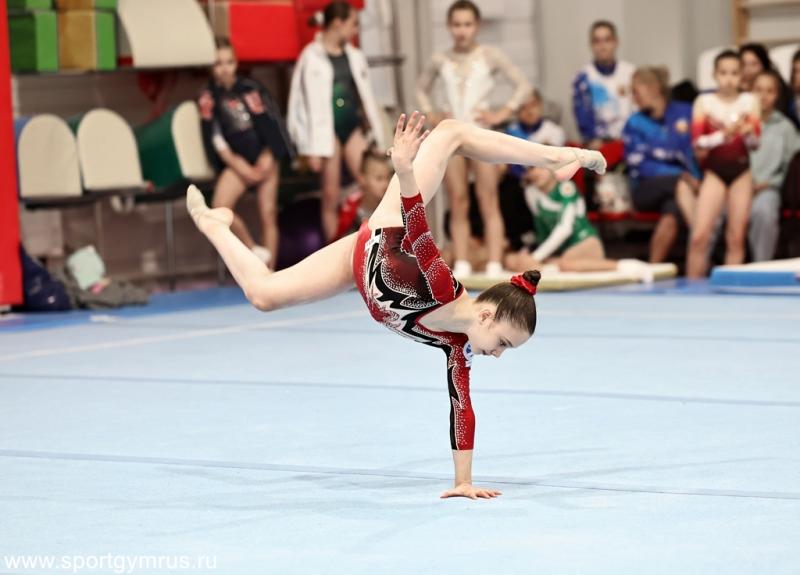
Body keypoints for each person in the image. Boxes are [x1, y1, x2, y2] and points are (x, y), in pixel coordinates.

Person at [186, 113, 606, 499]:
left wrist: (463, 482)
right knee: (450, 133)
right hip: (386, 232)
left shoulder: (457, 345)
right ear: (485, 314)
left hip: (360, 268)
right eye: (503, 343)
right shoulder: (442, 288)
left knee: (262, 295)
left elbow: (462, 406)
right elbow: (418, 230)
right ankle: (557, 157)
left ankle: (214, 224)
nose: (497, 354)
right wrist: (404, 169)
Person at [416, 0, 530, 279]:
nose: (462, 30)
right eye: (457, 24)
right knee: (458, 200)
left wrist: (503, 112)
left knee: (488, 198)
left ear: (477, 26)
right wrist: (431, 113)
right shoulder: (441, 59)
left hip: (480, 132)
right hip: (452, 136)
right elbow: (420, 88)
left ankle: (494, 262)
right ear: (449, 26)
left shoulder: (490, 55)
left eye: (467, 24)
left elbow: (523, 85)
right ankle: (463, 262)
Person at [287, 1, 386, 242]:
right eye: (353, 24)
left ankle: (378, 243)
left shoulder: (355, 56)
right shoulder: (311, 57)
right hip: (325, 132)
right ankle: (334, 248)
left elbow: (366, 97)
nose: (355, 30)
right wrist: (307, 146)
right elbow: (299, 103)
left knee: (374, 185)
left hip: (351, 126)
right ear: (338, 24)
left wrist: (375, 134)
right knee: (330, 195)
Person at [198, 40, 291, 267]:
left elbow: (272, 123)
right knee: (219, 208)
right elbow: (215, 137)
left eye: (229, 62)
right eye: (218, 63)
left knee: (268, 213)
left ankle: (270, 273)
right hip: (236, 160)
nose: (225, 69)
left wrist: (269, 154)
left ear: (236, 63)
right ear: (211, 66)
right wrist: (236, 163)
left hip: (264, 156)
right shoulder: (208, 97)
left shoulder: (251, 88)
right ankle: (253, 250)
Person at [503, 166, 651, 281]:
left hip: (584, 242)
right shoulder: (531, 192)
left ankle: (625, 265)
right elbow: (540, 226)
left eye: (541, 167)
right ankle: (548, 267)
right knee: (511, 260)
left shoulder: (566, 189)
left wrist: (537, 256)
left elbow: (565, 229)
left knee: (566, 264)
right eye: (531, 169)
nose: (535, 173)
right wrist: (530, 252)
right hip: (558, 250)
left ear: (554, 169)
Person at [687, 50, 761, 278]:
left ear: (741, 76)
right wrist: (723, 136)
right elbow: (697, 143)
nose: (729, 79)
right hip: (715, 172)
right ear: (715, 75)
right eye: (724, 73)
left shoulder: (750, 101)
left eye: (734, 73)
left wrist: (748, 134)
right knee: (699, 236)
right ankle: (691, 288)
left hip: (741, 172)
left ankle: (733, 289)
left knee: (736, 237)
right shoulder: (704, 102)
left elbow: (755, 144)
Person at [622, 66, 700, 262]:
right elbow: (639, 166)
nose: (633, 98)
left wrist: (695, 178)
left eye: (636, 91)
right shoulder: (634, 123)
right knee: (681, 185)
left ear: (654, 88)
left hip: (686, 186)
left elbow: (694, 152)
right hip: (645, 188)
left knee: (672, 214)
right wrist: (681, 176)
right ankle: (704, 245)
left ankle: (652, 268)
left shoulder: (684, 113)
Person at [749, 70, 800, 261]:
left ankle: (761, 267)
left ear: (777, 95)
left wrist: (770, 183)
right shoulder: (738, 122)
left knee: (764, 211)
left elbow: (792, 168)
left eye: (769, 91)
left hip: (769, 188)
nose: (763, 96)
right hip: (737, 186)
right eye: (758, 90)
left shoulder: (785, 127)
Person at [572, 20, 635, 148]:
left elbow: (640, 112)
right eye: (597, 41)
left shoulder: (631, 73)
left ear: (616, 42)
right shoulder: (583, 77)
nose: (602, 46)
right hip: (600, 145)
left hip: (631, 141)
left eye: (607, 40)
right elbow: (584, 121)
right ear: (591, 45)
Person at [334, 149, 392, 240]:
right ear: (362, 179)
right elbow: (344, 243)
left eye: (387, 178)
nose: (385, 184)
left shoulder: (392, 206)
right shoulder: (350, 212)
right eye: (379, 179)